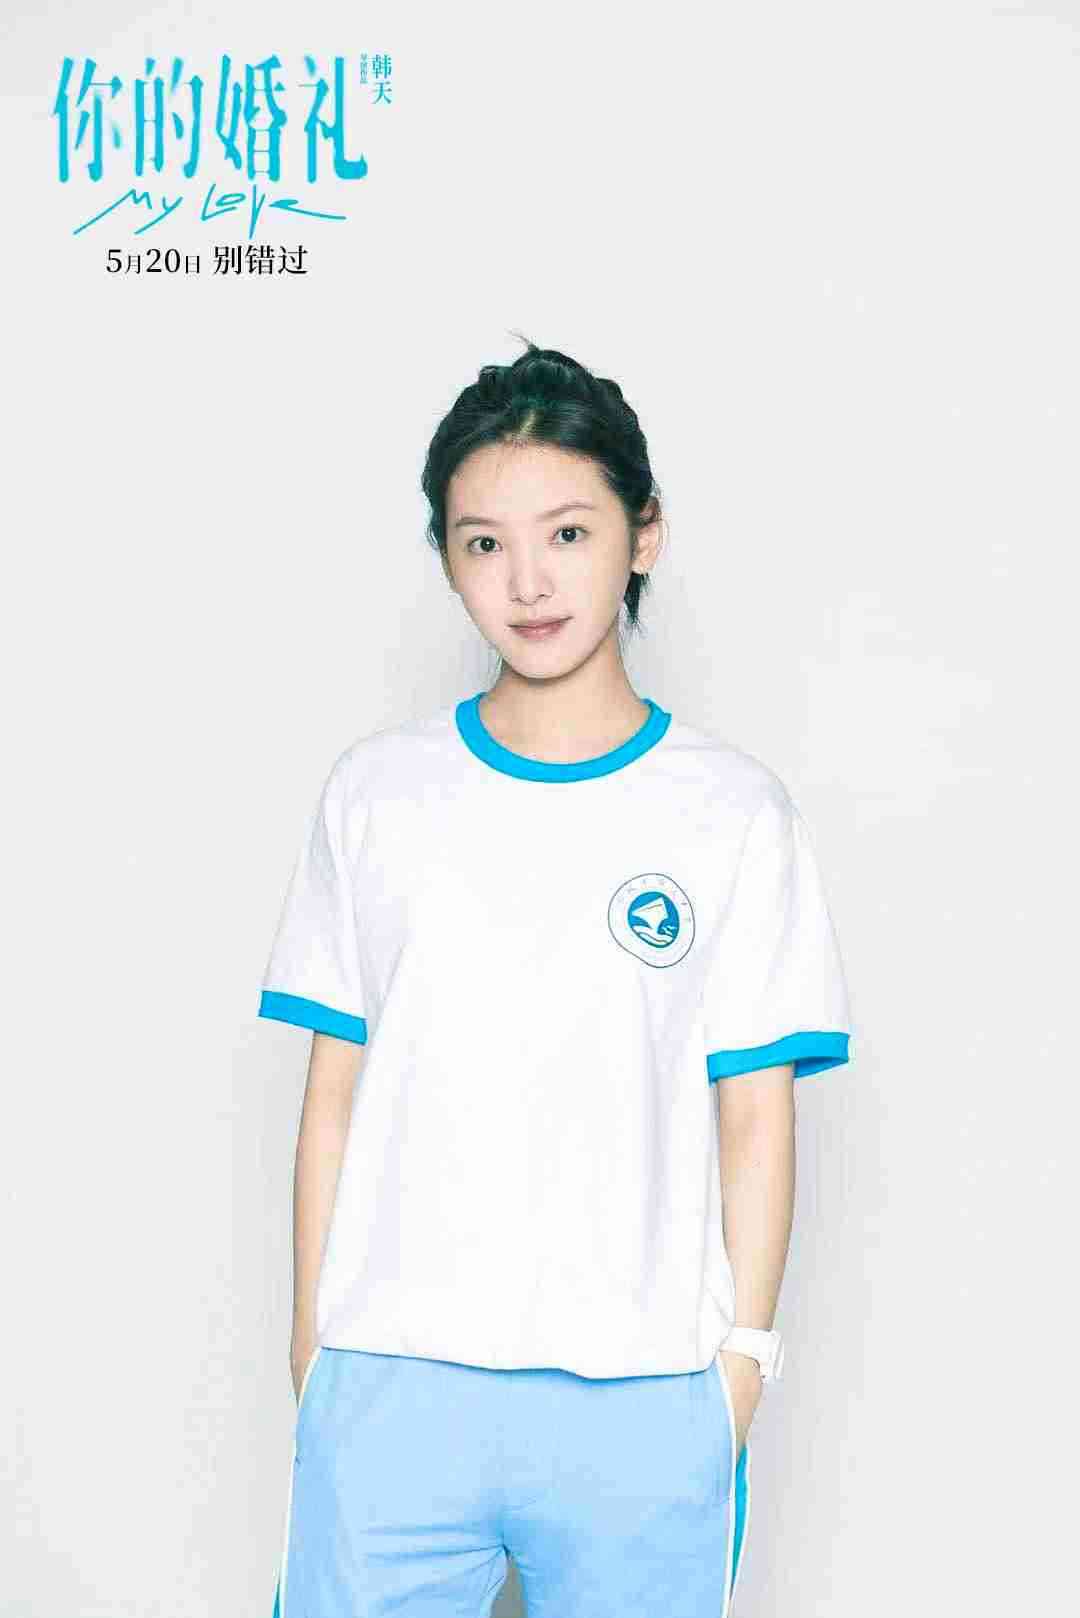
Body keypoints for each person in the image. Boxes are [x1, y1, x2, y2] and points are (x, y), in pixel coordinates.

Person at [258, 338, 853, 1618]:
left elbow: (756, 1114)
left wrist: (741, 1366)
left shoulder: (734, 813)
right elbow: (332, 1098)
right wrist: (314, 1349)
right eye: (484, 543)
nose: (528, 581)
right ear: (447, 559)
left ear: (645, 535)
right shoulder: (377, 794)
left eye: (569, 533)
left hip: (643, 1401)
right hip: (391, 1384)